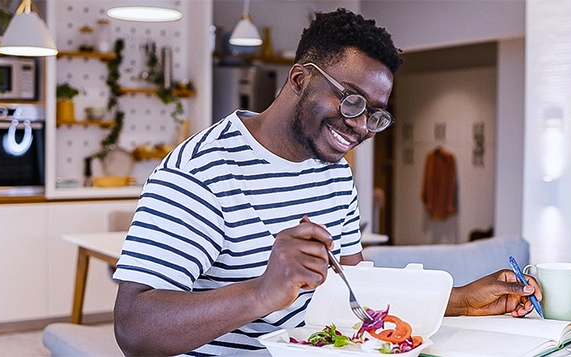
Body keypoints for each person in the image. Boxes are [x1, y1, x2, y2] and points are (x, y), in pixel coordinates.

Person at [113, 8, 541, 357]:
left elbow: (354, 292)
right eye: (351, 99)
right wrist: (262, 293)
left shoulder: (332, 168)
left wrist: (463, 300)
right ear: (300, 79)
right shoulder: (200, 172)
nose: (360, 126)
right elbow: (134, 328)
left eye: (375, 113)